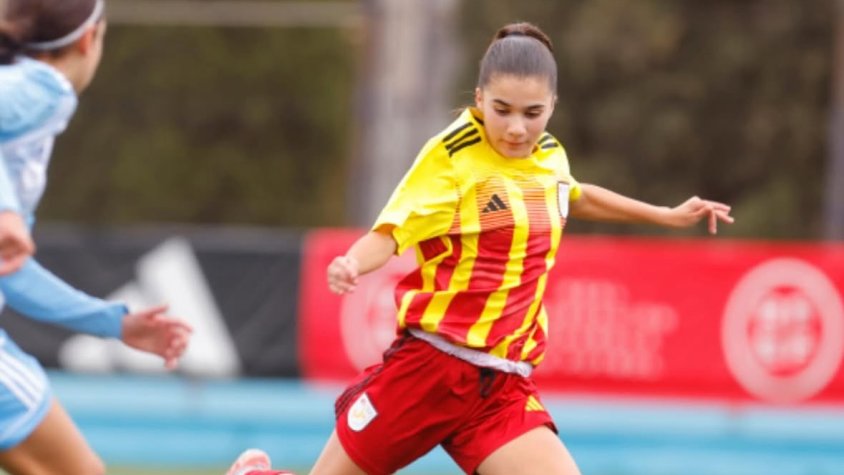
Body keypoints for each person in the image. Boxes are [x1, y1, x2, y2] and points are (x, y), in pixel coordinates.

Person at [229, 21, 734, 475]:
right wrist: (351, 262)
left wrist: (663, 214)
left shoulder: (549, 154)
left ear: (553, 105)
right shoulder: (451, 161)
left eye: (533, 113)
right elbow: (390, 232)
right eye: (503, 110)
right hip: (430, 371)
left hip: (500, 385)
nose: (517, 128)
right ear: (478, 98)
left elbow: (572, 194)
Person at [0, 1, 193, 474]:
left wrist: (113, 322)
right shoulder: (44, 89)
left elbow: (11, 273)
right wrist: (5, 207)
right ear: (90, 40)